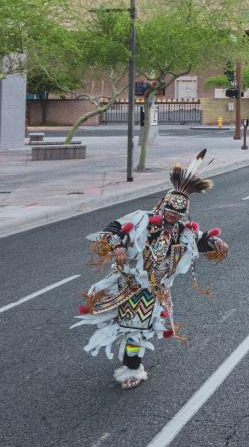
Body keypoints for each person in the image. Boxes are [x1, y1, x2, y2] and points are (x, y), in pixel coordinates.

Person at [72, 150, 228, 389]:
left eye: (178, 213)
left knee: (137, 330)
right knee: (127, 326)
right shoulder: (140, 219)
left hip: (154, 291)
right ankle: (131, 363)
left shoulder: (182, 232)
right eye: (169, 210)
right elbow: (111, 230)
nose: (172, 215)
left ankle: (132, 367)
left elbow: (199, 241)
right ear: (162, 206)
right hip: (128, 282)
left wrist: (216, 243)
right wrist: (117, 247)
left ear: (183, 213)